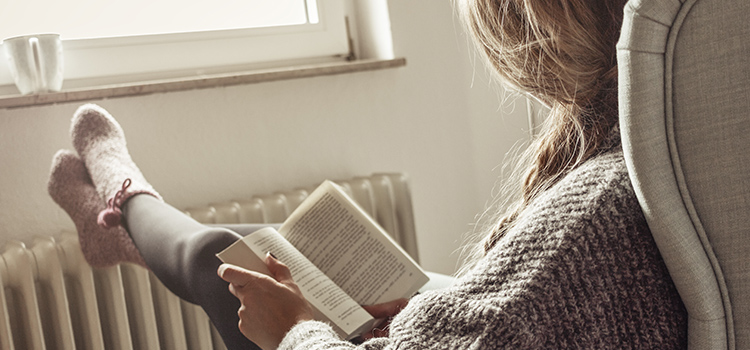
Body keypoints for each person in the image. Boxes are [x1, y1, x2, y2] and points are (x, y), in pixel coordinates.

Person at [47, 0, 688, 349]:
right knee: (278, 254)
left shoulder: (590, 216)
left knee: (233, 260)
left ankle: (128, 202)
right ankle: (129, 220)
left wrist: (298, 331)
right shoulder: (666, 165)